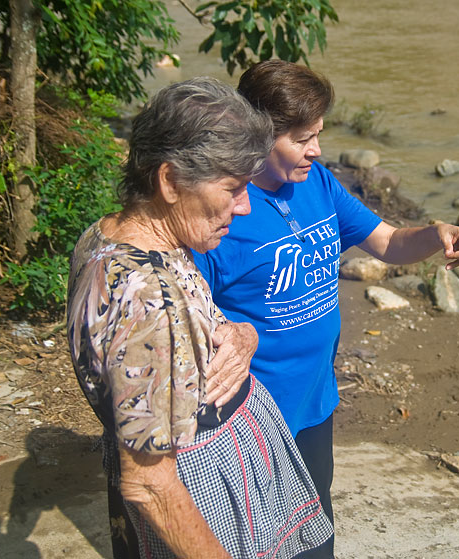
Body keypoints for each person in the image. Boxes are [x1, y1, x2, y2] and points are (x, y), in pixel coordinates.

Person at [192, 60, 459, 557]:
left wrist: (436, 233)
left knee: (316, 535)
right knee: (255, 541)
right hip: (252, 420)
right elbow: (193, 315)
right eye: (301, 138)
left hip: (314, 402)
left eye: (318, 134)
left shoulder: (318, 183)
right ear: (257, 134)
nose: (316, 149)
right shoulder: (223, 208)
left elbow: (390, 242)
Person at [66, 77, 333, 559]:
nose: (245, 206)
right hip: (203, 490)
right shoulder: (148, 298)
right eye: (232, 188)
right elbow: (149, 483)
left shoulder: (111, 236)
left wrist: (242, 333)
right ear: (169, 181)